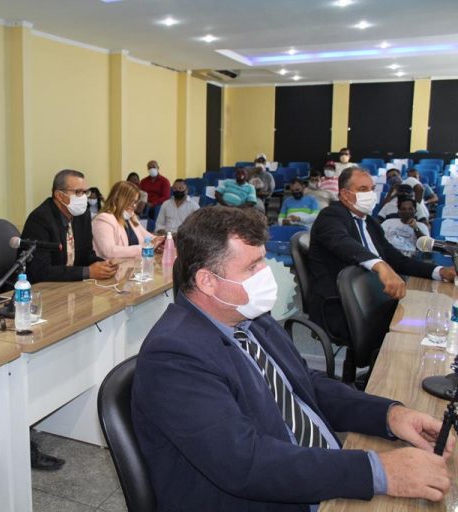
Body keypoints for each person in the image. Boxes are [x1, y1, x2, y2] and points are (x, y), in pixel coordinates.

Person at [132, 205, 454, 511]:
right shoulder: (174, 356)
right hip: (267, 498)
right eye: (252, 267)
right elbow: (245, 463)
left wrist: (389, 415)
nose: (266, 273)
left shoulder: (251, 319)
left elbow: (306, 384)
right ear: (207, 281)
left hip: (314, 471)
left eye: (263, 260)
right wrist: (378, 471)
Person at [308, 167, 454, 340]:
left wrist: (439, 271)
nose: (370, 194)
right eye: (363, 189)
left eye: (371, 189)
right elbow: (342, 242)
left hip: (375, 297)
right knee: (414, 327)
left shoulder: (370, 222)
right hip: (342, 306)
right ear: (345, 194)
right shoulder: (330, 215)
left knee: (429, 312)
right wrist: (380, 265)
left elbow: (397, 260)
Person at [20, 169, 117, 283]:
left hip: (72, 285)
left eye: (85, 192)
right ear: (59, 195)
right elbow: (41, 270)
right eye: (78, 192)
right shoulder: (40, 219)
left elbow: (87, 255)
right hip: (44, 288)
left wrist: (105, 264)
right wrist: (87, 272)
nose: (83, 197)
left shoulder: (82, 215)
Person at [92, 181, 162, 259]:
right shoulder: (103, 219)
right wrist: (146, 247)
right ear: (118, 199)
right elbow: (109, 251)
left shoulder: (131, 217)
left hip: (132, 264)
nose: (134, 206)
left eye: (135, 202)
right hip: (112, 265)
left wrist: (160, 241)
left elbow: (147, 236)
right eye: (131, 201)